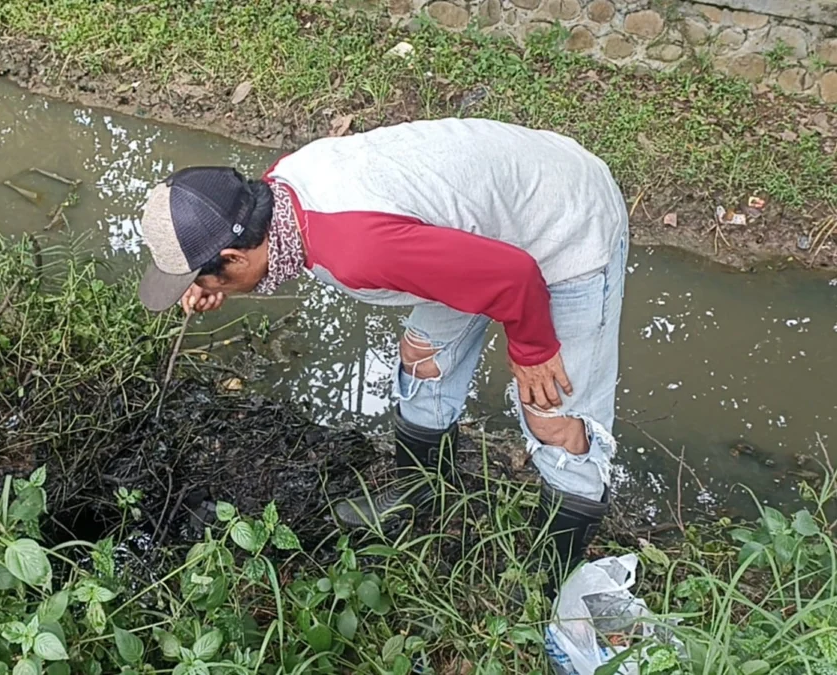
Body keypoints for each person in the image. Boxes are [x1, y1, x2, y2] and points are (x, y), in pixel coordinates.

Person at [134, 118, 628, 580]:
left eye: (198, 275)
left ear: (233, 257)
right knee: (423, 358)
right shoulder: (278, 191)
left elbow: (514, 276)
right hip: (482, 230)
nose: (196, 287)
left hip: (564, 222)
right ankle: (420, 499)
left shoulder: (357, 249)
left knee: (553, 417)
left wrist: (533, 349)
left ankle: (552, 577)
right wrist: (217, 281)